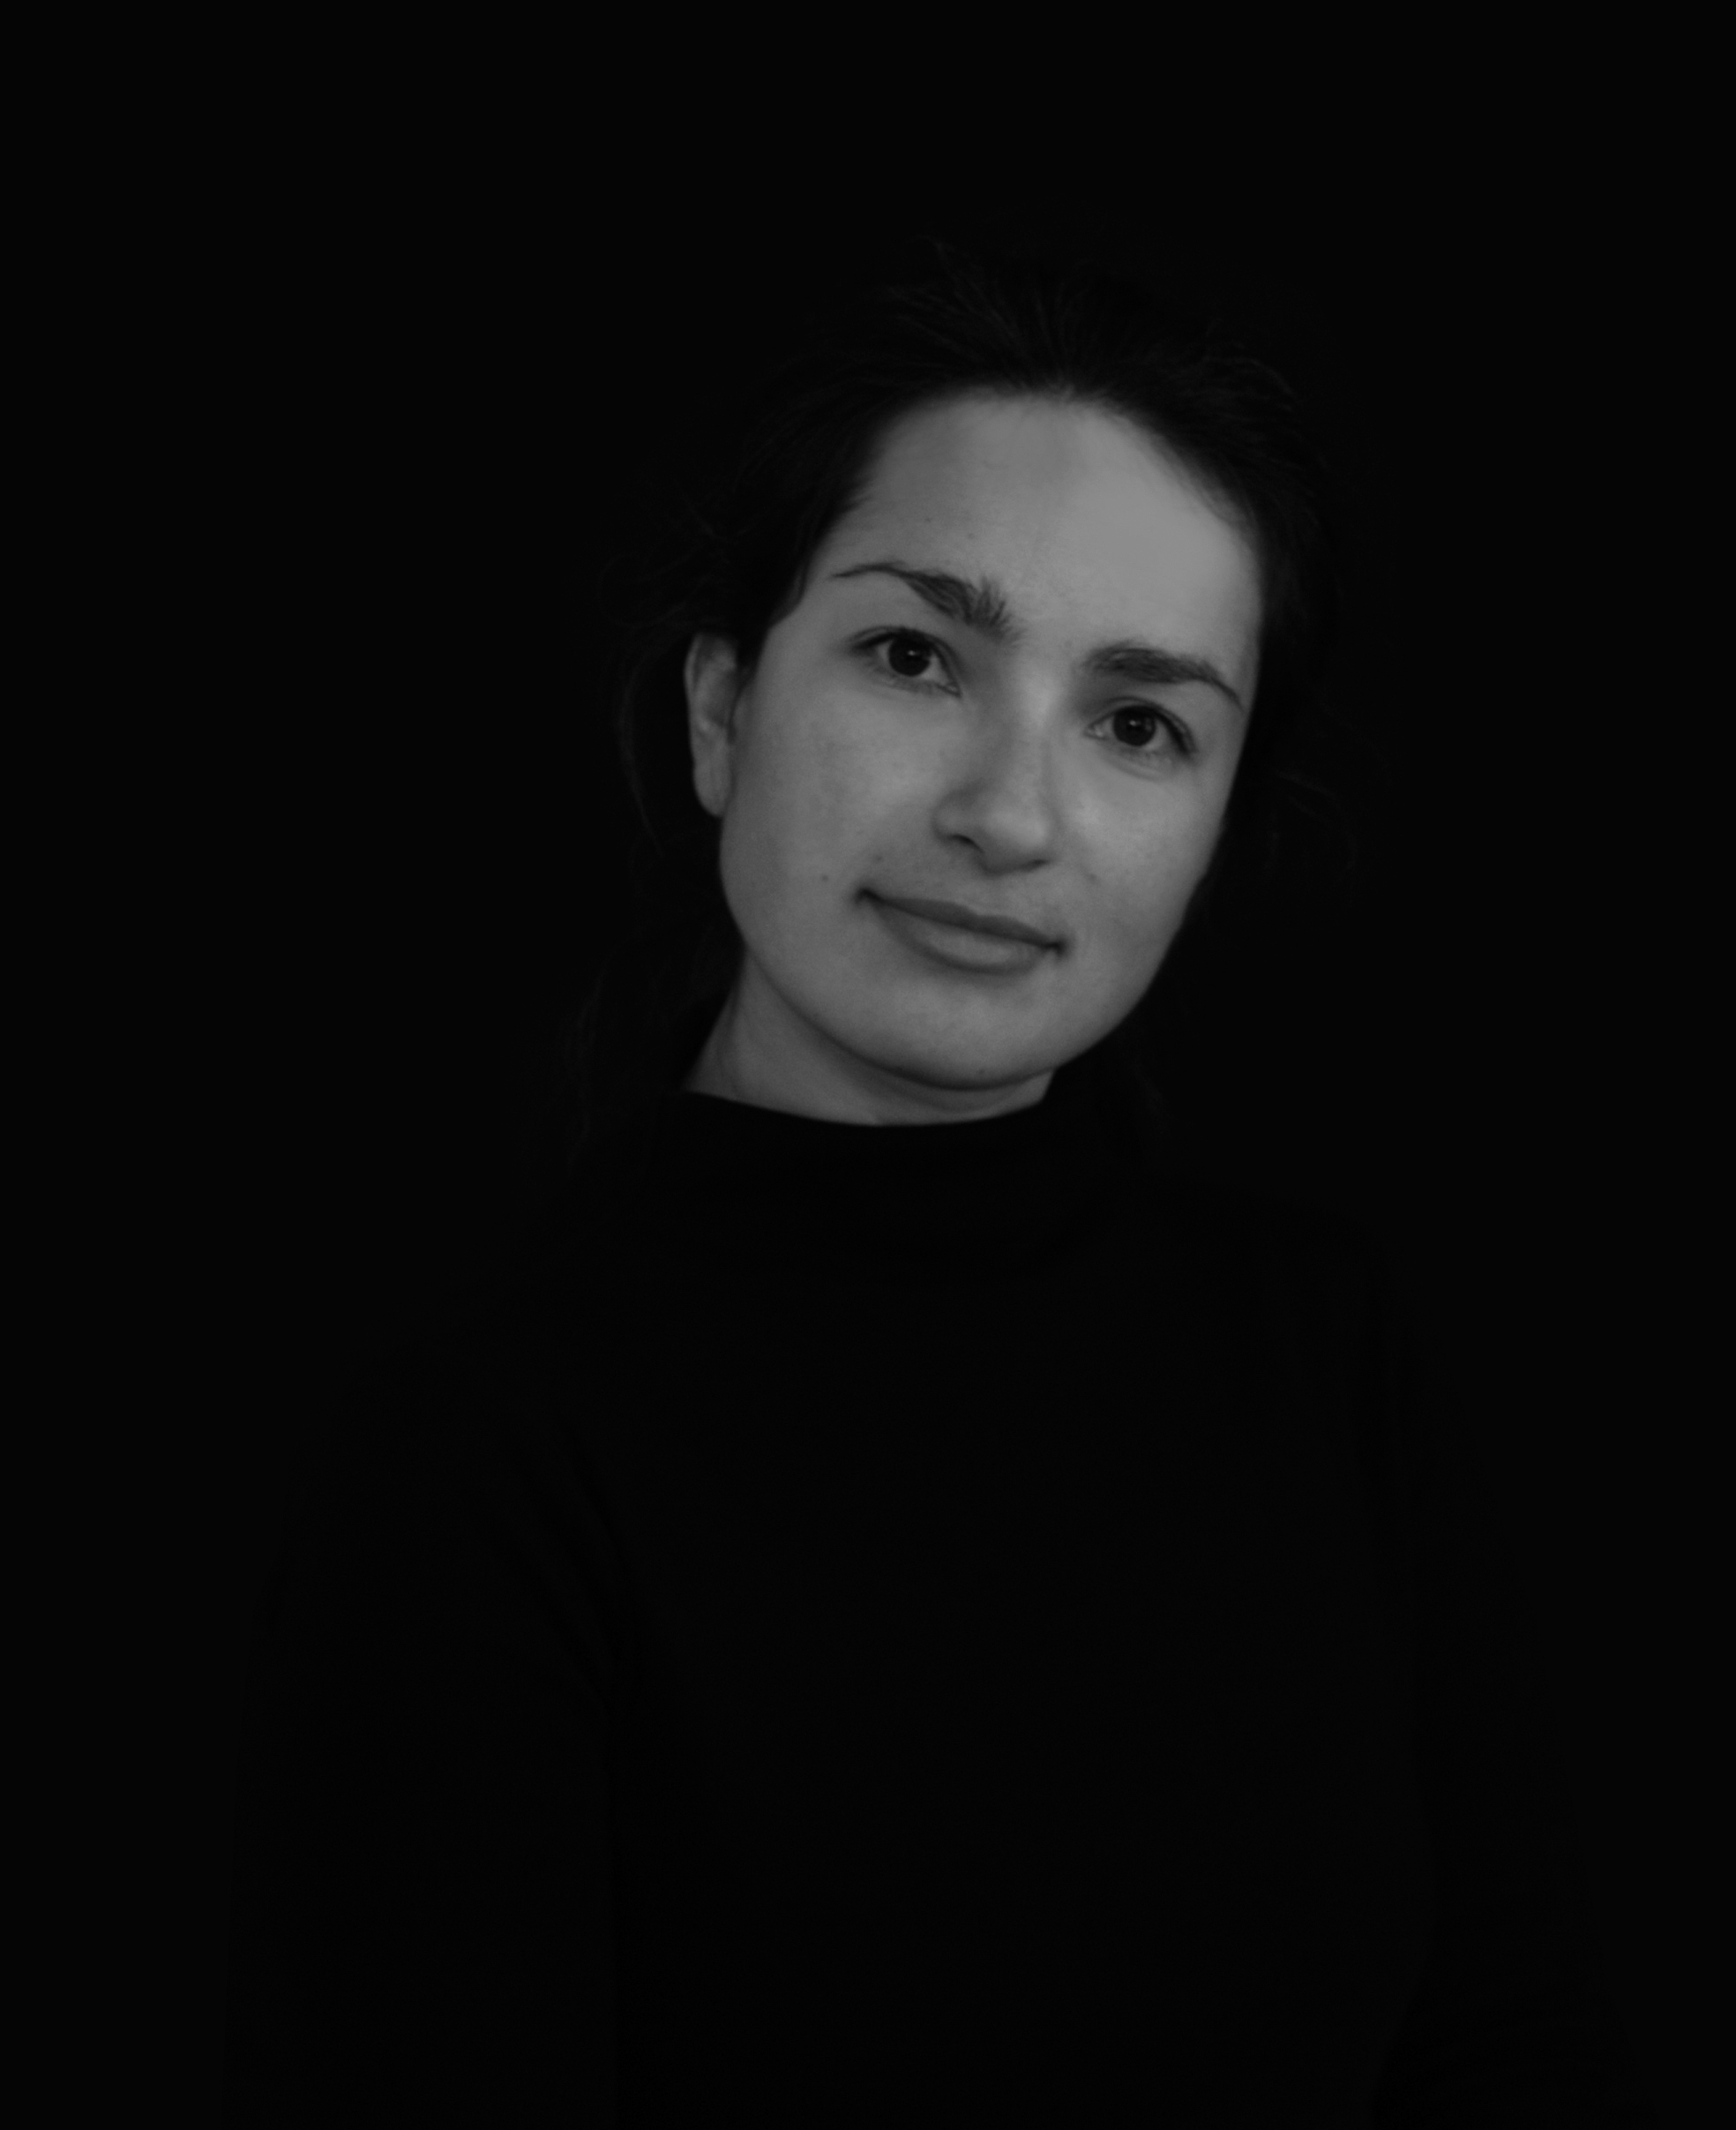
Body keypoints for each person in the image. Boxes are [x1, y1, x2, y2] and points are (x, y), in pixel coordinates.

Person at [221, 236, 1658, 2123]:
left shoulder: (1331, 1352)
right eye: (914, 657)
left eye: (1138, 724)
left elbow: (1519, 2053)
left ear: (1215, 829)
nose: (1008, 814)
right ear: (723, 713)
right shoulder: (479, 1463)